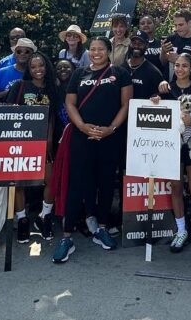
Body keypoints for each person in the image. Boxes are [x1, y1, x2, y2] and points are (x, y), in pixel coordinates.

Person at [53, 37, 132, 263]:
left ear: (109, 51)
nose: (97, 53)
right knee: (76, 184)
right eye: (93, 49)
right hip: (82, 136)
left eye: (101, 49)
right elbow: (70, 103)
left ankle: (102, 228)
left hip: (109, 137)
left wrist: (111, 129)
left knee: (106, 183)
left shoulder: (120, 73)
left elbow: (126, 104)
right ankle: (67, 236)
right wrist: (81, 126)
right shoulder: (79, 74)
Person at [151, 53, 191, 259]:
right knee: (176, 188)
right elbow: (159, 113)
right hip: (172, 145)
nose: (180, 69)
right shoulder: (166, 88)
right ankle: (181, 230)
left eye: (184, 65)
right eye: (177, 65)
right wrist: (155, 102)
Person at [4, 53, 63, 242]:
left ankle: (45, 215)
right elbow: (9, 114)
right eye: (33, 67)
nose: (38, 69)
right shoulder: (19, 86)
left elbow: (52, 116)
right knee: (18, 182)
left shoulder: (53, 88)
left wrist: (49, 140)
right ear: (28, 70)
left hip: (44, 141)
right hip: (21, 141)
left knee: (50, 180)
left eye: (41, 65)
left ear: (47, 67)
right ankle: (22, 219)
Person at [160, 10, 191, 77]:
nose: (177, 28)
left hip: (190, 83)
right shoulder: (170, 39)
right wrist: (163, 51)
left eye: (181, 25)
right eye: (175, 25)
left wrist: (178, 59)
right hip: (170, 83)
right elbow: (163, 62)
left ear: (190, 22)